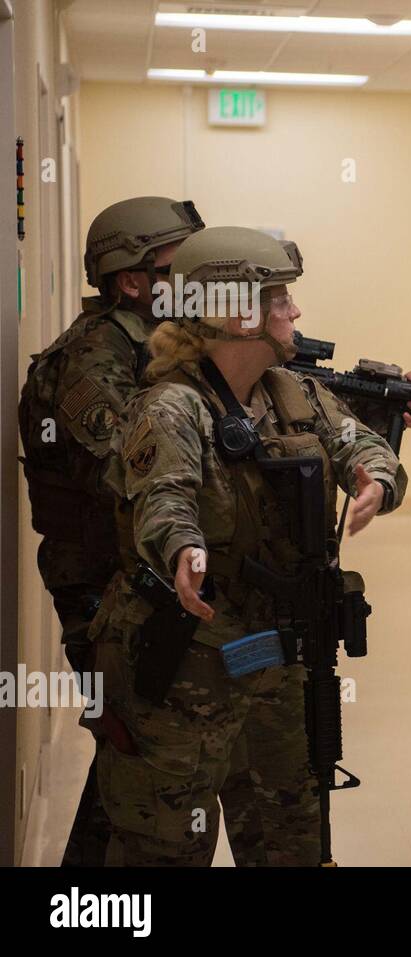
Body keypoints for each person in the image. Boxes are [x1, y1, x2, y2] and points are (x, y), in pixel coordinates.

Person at [90, 225, 411, 865]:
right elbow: (164, 497)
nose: (295, 312)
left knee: (288, 835)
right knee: (165, 846)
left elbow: (364, 445)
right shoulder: (169, 407)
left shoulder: (294, 392)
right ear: (238, 314)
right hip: (185, 656)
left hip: (274, 656)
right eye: (279, 299)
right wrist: (183, 550)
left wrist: (377, 481)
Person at [19, 196, 206, 865]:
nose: (193, 279)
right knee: (139, 760)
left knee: (135, 776)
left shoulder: (151, 342)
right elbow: (129, 472)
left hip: (138, 584)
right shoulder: (92, 359)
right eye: (175, 266)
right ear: (132, 279)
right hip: (101, 596)